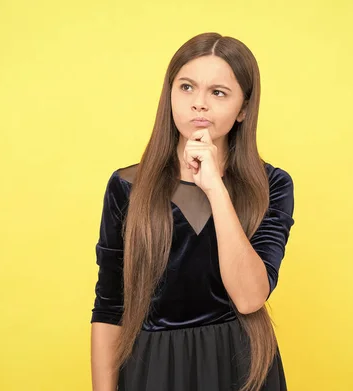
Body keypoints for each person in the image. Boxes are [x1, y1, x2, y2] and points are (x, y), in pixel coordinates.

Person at [90, 32, 295, 391]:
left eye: (218, 92)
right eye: (186, 87)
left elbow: (249, 298)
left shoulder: (272, 185)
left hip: (240, 365)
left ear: (244, 108)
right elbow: (110, 307)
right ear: (169, 95)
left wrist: (215, 189)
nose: (199, 104)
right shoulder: (126, 187)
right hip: (153, 366)